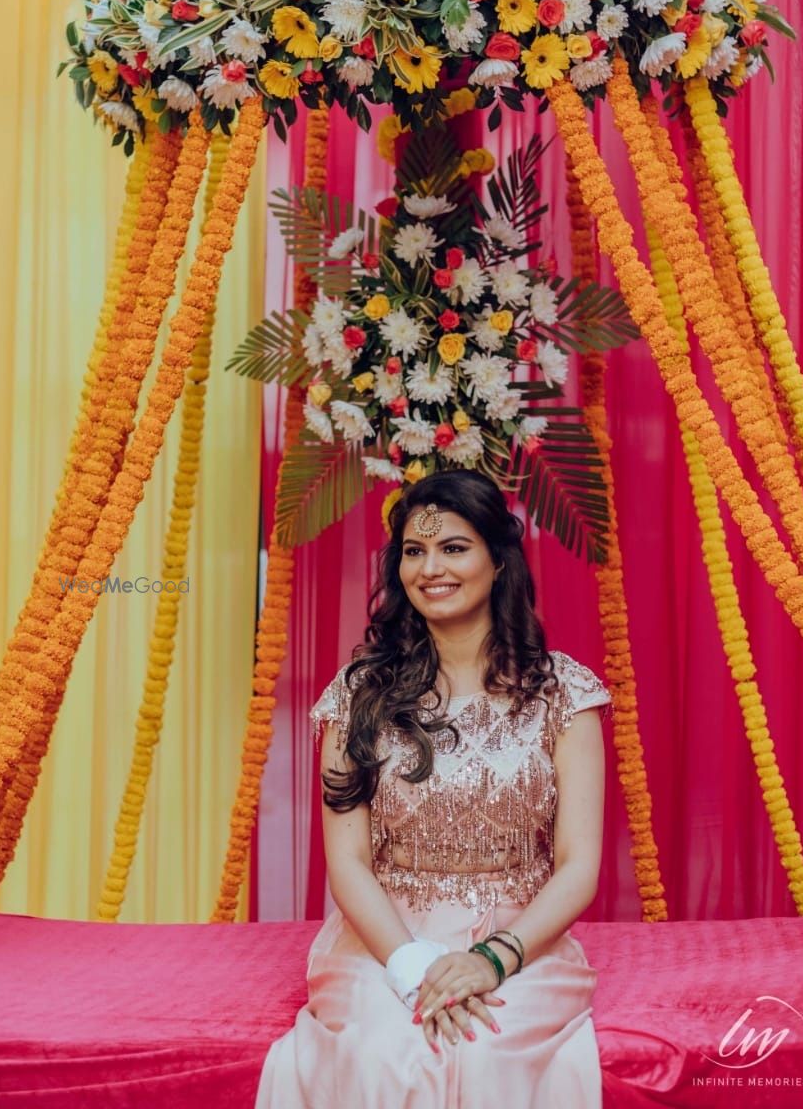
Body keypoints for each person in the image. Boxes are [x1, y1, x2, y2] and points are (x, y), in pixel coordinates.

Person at [255, 468, 612, 1108]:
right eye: (414, 552)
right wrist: (411, 969)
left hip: (522, 935)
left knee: (487, 1052)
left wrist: (493, 960)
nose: (431, 569)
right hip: (383, 936)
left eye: (453, 547)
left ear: (498, 561)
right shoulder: (360, 695)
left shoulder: (564, 692)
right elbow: (349, 864)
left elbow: (579, 865)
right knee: (381, 1054)